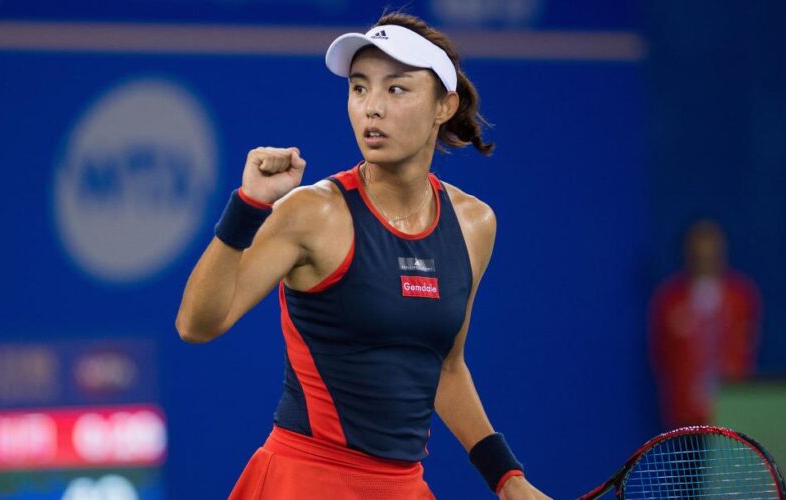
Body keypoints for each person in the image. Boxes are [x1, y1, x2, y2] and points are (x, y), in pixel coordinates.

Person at [176, 12, 550, 500]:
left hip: (403, 487)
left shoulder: (474, 224)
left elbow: (445, 366)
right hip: (303, 481)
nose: (372, 107)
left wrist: (507, 477)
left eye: (396, 89)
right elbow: (197, 325)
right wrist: (247, 207)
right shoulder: (312, 212)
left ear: (444, 105)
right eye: (358, 88)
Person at [649, 220, 762, 430]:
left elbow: (746, 350)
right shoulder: (668, 300)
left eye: (710, 252)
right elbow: (661, 356)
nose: (705, 257)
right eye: (698, 252)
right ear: (688, 253)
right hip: (683, 414)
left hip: (732, 409)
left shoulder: (741, 297)